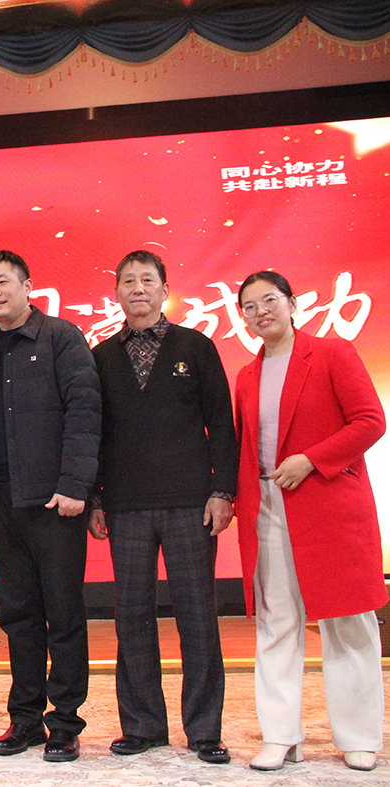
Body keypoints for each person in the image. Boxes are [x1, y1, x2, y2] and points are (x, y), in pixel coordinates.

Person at [234, 271, 386, 772]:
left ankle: (360, 737)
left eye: (269, 300)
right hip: (268, 509)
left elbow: (370, 421)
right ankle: (281, 737)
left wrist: (311, 460)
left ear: (291, 303)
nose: (261, 312)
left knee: (348, 622)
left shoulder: (332, 353)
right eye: (250, 306)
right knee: (277, 624)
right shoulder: (247, 375)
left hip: (329, 507)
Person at [87, 251, 236, 764]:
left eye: (147, 280)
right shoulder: (101, 357)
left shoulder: (195, 346)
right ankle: (143, 725)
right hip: (125, 504)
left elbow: (222, 422)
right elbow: (95, 434)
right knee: (131, 617)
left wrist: (223, 492)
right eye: (127, 281)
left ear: (165, 290)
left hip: (190, 503)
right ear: (116, 293)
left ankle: (204, 730)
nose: (137, 289)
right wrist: (95, 497)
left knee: (198, 616)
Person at [0, 250, 100, 762]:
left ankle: (64, 722)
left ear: (27, 286)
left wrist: (75, 485)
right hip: (4, 502)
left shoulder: (61, 337)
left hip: (54, 501)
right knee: (18, 615)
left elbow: (85, 413)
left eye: (3, 282)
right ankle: (25, 719)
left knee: (63, 613)